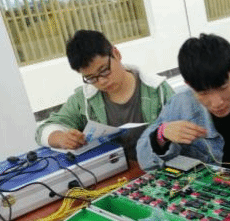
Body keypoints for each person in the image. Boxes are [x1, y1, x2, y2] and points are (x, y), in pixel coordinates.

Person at [136, 33, 230, 179]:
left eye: (222, 88)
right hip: (208, 189)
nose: (217, 103)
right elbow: (145, 163)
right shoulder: (181, 105)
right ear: (189, 85)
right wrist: (161, 136)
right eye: (203, 93)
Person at [35, 29, 174, 159]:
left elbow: (182, 137)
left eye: (104, 71)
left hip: (159, 167)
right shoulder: (84, 100)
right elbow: (43, 130)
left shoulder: (158, 91)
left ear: (116, 54)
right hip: (112, 170)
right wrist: (61, 138)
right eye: (91, 78)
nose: (101, 81)